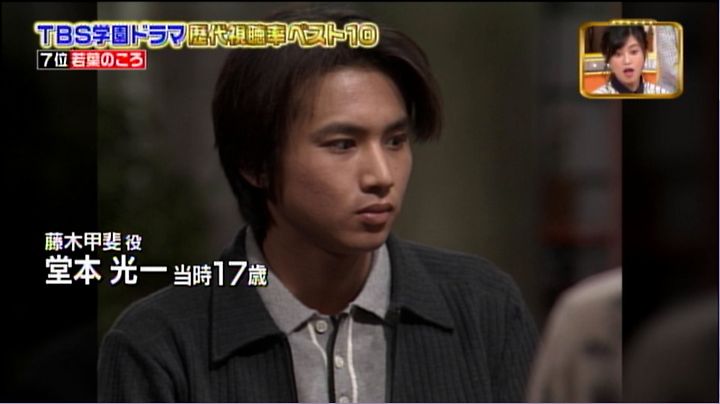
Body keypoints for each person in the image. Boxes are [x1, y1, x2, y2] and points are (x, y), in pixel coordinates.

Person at [98, 8, 538, 403]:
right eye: (343, 144)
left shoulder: (483, 307)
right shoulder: (161, 344)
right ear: (255, 163)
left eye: (395, 141)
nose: (381, 175)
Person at [593, 25, 671, 95]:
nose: (627, 61)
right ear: (607, 58)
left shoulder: (662, 94)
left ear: (644, 53)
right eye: (618, 54)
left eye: (633, 52)